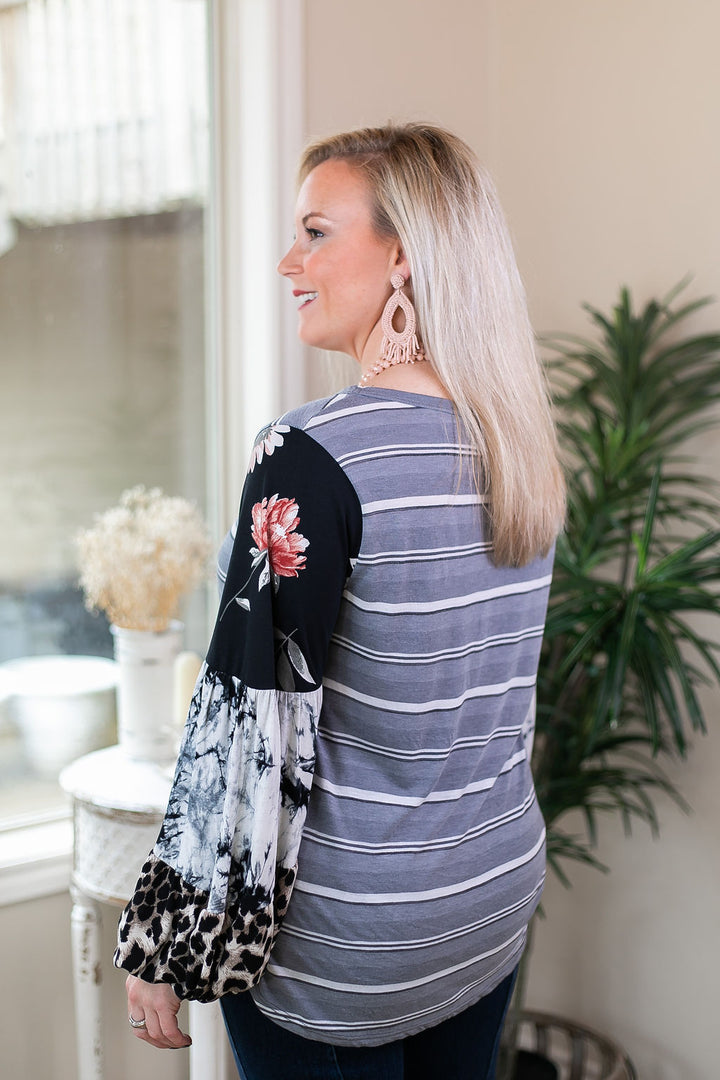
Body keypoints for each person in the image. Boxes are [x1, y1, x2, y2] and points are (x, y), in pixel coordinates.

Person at [117, 122, 566, 1080]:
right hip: (488, 896)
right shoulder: (518, 443)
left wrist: (164, 943)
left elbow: (245, 730)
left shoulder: (312, 457)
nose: (291, 261)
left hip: (348, 946)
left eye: (317, 232)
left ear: (403, 254)